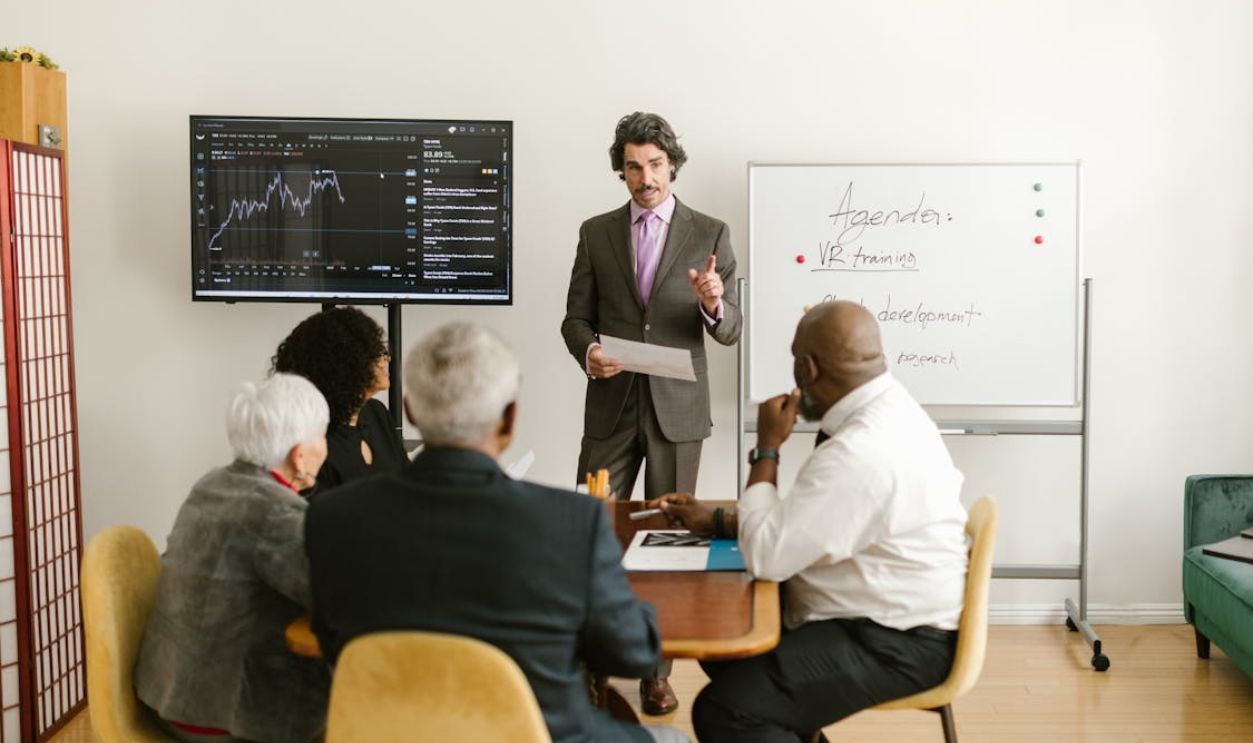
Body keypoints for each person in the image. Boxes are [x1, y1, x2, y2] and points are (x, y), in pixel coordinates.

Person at [305, 322, 688, 743]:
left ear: (411, 410)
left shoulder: (328, 519)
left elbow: (331, 642)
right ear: (510, 419)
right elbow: (635, 652)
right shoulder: (574, 522)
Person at [650, 301, 970, 743]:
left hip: (896, 640)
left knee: (728, 710)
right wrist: (723, 519)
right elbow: (815, 519)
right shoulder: (891, 406)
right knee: (726, 645)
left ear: (807, 368)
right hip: (881, 611)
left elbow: (766, 558)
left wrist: (766, 449)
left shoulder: (861, 450)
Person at [561, 111, 742, 713]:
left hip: (677, 411)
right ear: (622, 171)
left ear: (673, 164)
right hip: (611, 404)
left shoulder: (710, 232)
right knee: (595, 537)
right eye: (634, 167)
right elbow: (575, 318)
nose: (646, 178)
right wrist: (589, 351)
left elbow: (730, 329)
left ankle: (656, 675)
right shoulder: (596, 232)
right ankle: (590, 668)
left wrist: (713, 304)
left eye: (656, 165)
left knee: (667, 544)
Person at [135, 373, 332, 743]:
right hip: (220, 715)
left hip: (169, 691)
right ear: (300, 454)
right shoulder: (273, 511)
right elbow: (333, 597)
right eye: (322, 435)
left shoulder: (212, 484)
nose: (326, 445)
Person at [272, 306, 407, 493]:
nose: (386, 360)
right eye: (376, 353)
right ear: (344, 365)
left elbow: (406, 486)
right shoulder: (312, 438)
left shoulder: (377, 413)